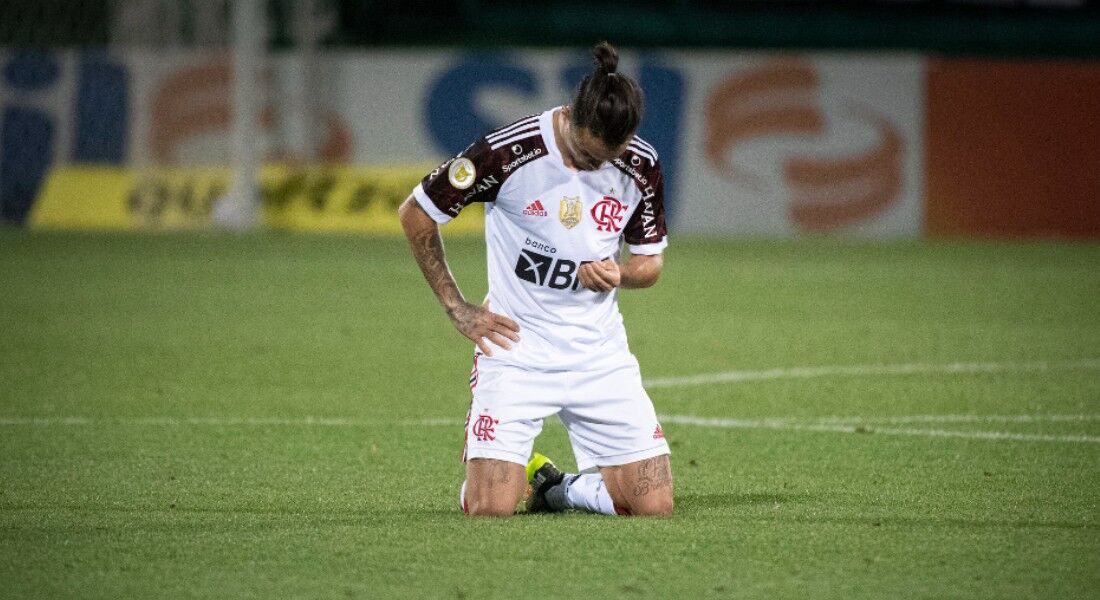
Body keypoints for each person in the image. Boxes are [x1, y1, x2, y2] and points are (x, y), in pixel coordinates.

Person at [398, 41, 673, 517]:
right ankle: (494, 477)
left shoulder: (641, 165)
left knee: (652, 506)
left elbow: (649, 264)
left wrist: (620, 275)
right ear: (571, 117)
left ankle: (559, 489)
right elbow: (416, 213)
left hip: (598, 355)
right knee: (491, 509)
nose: (597, 167)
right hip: (516, 350)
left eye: (609, 157)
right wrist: (457, 307)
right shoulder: (506, 153)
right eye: (587, 156)